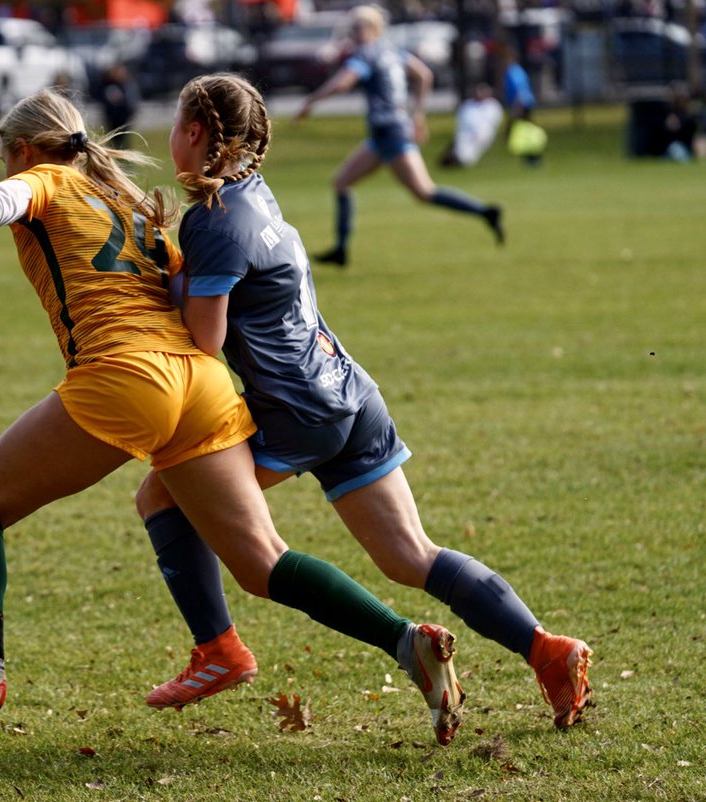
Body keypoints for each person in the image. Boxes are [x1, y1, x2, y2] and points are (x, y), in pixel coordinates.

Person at [0, 88, 465, 745]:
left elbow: (0, 200)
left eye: (7, 159)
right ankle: (403, 640)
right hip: (204, 383)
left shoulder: (41, 178)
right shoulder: (132, 202)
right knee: (261, 562)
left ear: (20, 151)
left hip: (128, 379)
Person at [136, 73, 594, 732]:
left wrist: (162, 275)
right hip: (349, 391)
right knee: (411, 555)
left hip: (298, 414)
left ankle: (216, 650)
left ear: (198, 134)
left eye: (177, 126)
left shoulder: (211, 218)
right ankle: (547, 649)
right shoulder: (254, 196)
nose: (170, 139)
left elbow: (204, 340)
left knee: (160, 496)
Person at [295, 5, 503, 268]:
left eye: (358, 27)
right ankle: (340, 249)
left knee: (425, 192)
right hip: (385, 134)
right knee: (341, 182)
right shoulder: (392, 51)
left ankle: (486, 212)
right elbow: (423, 75)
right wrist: (417, 115)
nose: (354, 32)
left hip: (390, 133)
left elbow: (343, 83)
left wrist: (310, 102)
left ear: (372, 28)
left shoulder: (367, 54)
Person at [440, 82, 503, 168]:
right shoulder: (468, 105)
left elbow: (492, 123)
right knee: (462, 149)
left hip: (482, 135)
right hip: (466, 134)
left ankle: (458, 160)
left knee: (468, 155)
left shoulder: (493, 106)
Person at [98, 62, 141, 148]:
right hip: (112, 118)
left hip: (124, 117)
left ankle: (124, 154)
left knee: (124, 138)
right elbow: (102, 99)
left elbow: (131, 101)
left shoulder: (127, 84)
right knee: (113, 138)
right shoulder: (107, 85)